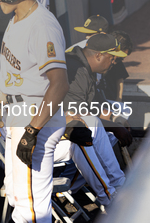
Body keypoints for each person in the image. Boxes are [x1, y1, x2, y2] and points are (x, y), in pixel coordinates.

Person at [0, 0, 69, 223]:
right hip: (17, 114)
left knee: (31, 207)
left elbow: (60, 83)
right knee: (19, 196)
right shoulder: (18, 18)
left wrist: (33, 130)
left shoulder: (42, 24)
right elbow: (14, 75)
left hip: (34, 118)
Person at [54, 33, 130, 208]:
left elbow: (94, 106)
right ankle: (109, 197)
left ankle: (117, 183)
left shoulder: (85, 68)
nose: (113, 63)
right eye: (112, 58)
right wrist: (113, 125)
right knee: (84, 134)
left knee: (100, 133)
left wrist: (114, 121)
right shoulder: (76, 69)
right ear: (98, 56)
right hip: (40, 134)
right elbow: (77, 117)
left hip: (60, 129)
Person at [99, 30, 133, 102]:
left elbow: (120, 78)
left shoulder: (118, 63)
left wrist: (119, 99)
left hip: (110, 99)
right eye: (116, 58)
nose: (114, 62)